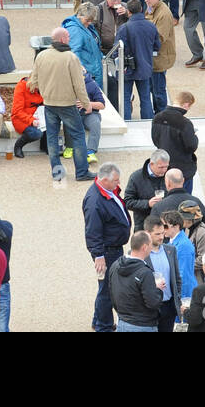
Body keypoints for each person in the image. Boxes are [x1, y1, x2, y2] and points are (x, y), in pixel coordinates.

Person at [27, 27, 94, 182]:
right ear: (63, 39)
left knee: (52, 138)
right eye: (68, 36)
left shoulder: (41, 56)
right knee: (78, 136)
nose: (69, 39)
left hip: (49, 104)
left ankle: (57, 172)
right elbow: (79, 85)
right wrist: (86, 103)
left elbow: (33, 81)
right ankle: (82, 172)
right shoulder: (70, 57)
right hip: (67, 104)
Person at [82, 162, 131, 332]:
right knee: (108, 290)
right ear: (104, 180)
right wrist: (99, 255)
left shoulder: (106, 191)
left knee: (106, 287)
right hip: (107, 251)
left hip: (112, 248)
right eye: (115, 181)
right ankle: (104, 326)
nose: (118, 183)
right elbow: (92, 231)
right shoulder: (95, 201)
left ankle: (99, 321)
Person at [109, 229, 166, 332]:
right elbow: (153, 303)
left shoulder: (115, 265)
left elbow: (112, 293)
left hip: (122, 323)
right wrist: (157, 289)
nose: (152, 247)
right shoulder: (144, 273)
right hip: (143, 326)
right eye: (150, 245)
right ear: (144, 247)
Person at [151, 91, 199, 191]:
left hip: (164, 167)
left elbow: (155, 140)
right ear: (186, 104)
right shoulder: (185, 123)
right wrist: (194, 136)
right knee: (184, 201)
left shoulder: (157, 118)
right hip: (183, 169)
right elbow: (191, 146)